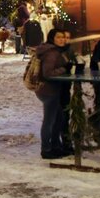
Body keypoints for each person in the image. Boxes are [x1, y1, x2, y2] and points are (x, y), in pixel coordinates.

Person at [35, 29, 72, 159]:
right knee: (49, 121)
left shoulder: (53, 50)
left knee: (59, 119)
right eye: (58, 37)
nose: (62, 39)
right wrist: (64, 68)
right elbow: (48, 73)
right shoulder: (52, 52)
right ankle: (46, 149)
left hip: (49, 90)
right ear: (52, 38)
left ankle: (55, 146)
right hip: (48, 90)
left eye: (63, 37)